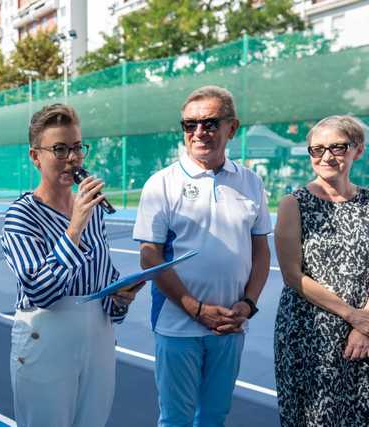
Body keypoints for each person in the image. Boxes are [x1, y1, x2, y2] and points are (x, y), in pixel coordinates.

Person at [132, 86, 272, 426]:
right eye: (189, 124)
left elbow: (261, 251)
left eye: (209, 123)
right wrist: (194, 308)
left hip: (230, 325)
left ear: (232, 128)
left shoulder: (251, 182)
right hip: (177, 325)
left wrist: (248, 304)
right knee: (176, 418)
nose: (198, 132)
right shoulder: (161, 184)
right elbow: (149, 256)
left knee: (214, 416)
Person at [1, 103, 142, 427]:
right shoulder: (21, 215)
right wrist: (75, 227)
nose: (72, 158)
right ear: (35, 157)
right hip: (46, 339)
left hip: (98, 338)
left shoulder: (90, 211)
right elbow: (40, 291)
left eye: (77, 148)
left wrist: (120, 296)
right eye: (60, 149)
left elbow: (103, 277)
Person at [274, 115, 369, 426]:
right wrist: (353, 315)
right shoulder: (293, 204)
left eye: (337, 147)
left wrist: (363, 324)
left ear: (358, 150)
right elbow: (292, 274)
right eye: (317, 150)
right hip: (307, 336)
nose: (326, 156)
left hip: (364, 334)